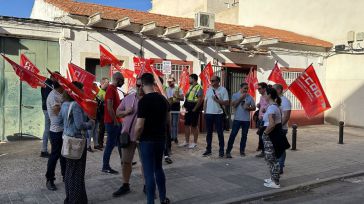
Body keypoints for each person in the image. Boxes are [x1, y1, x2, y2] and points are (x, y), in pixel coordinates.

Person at [135, 73, 170, 204]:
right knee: (159, 168)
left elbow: (139, 126)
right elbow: (168, 120)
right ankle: (163, 198)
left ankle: (151, 201)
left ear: (143, 84)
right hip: (160, 139)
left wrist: (135, 138)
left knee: (149, 172)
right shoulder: (163, 99)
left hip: (147, 140)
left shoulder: (143, 101)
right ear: (153, 84)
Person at [59, 82, 94, 204]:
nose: (83, 92)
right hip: (77, 142)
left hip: (68, 140)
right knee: (77, 173)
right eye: (82, 90)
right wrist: (90, 123)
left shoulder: (64, 104)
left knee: (69, 172)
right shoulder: (76, 105)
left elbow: (59, 121)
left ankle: (70, 198)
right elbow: (80, 125)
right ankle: (76, 200)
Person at [113, 78, 144, 197]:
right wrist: (126, 112)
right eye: (138, 85)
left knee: (145, 163)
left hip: (143, 137)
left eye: (142, 85)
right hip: (128, 136)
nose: (140, 88)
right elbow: (117, 112)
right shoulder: (128, 98)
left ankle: (147, 185)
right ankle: (125, 185)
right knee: (125, 162)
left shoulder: (149, 100)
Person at [262, 87, 290, 189]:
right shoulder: (273, 106)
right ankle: (272, 178)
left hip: (271, 136)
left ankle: (275, 182)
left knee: (272, 159)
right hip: (272, 135)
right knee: (270, 159)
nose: (263, 96)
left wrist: (264, 134)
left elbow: (272, 124)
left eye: (265, 94)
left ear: (269, 95)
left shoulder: (272, 108)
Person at [45, 80, 66, 191]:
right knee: (55, 155)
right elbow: (57, 112)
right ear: (60, 85)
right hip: (56, 130)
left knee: (64, 155)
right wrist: (67, 107)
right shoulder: (53, 96)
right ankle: (50, 179)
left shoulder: (60, 94)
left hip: (63, 130)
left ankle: (65, 176)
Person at [102, 72, 124, 174]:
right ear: (118, 79)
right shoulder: (111, 89)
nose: (123, 83)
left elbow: (115, 105)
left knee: (120, 143)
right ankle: (105, 166)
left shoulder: (114, 89)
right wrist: (115, 121)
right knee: (110, 145)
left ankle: (124, 161)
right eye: (122, 81)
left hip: (116, 122)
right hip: (112, 122)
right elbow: (109, 107)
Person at [226, 83, 256, 158]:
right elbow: (234, 105)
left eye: (247, 88)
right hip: (237, 119)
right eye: (245, 88)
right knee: (233, 135)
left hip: (246, 120)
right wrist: (241, 98)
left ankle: (242, 151)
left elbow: (254, 107)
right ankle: (228, 151)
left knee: (244, 136)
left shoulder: (249, 97)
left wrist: (248, 108)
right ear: (241, 88)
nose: (246, 90)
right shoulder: (235, 95)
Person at [203, 75, 229, 157]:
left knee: (220, 133)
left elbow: (227, 102)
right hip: (209, 114)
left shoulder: (223, 90)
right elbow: (205, 101)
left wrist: (217, 100)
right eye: (211, 81)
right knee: (209, 133)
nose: (212, 82)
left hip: (218, 114)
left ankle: (221, 151)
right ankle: (208, 149)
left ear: (218, 81)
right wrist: (204, 111)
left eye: (213, 81)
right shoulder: (209, 89)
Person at [179, 74, 203, 149]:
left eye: (190, 78)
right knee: (186, 124)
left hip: (194, 108)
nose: (189, 80)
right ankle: (186, 142)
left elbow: (200, 99)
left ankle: (195, 143)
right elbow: (188, 97)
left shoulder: (199, 87)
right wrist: (184, 106)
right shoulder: (190, 87)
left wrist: (195, 109)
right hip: (188, 108)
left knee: (194, 125)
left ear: (194, 79)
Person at [273, 84, 292, 174]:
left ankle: (280, 166)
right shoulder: (275, 100)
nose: (272, 91)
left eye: (274, 89)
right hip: (274, 128)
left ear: (279, 90)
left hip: (281, 128)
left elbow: (286, 116)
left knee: (280, 148)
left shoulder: (285, 101)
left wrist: (279, 127)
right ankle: (276, 165)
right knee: (275, 148)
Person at [40, 74, 56, 158]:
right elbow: (48, 98)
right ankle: (44, 150)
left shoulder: (49, 84)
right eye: (56, 78)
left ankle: (51, 148)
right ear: (52, 77)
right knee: (47, 129)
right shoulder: (47, 84)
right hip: (47, 109)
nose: (57, 80)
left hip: (47, 108)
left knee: (49, 128)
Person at [166, 77, 184, 144]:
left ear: (174, 81)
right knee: (169, 123)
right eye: (168, 82)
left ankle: (175, 137)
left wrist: (176, 97)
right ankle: (170, 137)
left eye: (170, 81)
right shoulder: (166, 89)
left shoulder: (178, 88)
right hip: (168, 106)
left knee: (175, 123)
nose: (169, 83)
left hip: (176, 106)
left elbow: (182, 98)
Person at [256, 82, 269, 158]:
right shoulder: (261, 97)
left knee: (264, 136)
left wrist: (265, 109)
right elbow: (262, 106)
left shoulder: (268, 96)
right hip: (260, 118)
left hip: (266, 120)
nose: (258, 90)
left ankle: (265, 151)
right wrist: (259, 105)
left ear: (264, 89)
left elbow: (271, 105)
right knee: (260, 135)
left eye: (259, 88)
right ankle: (263, 151)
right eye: (258, 88)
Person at [96, 77, 109, 149]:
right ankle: (100, 143)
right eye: (107, 83)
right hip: (102, 113)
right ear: (103, 83)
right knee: (102, 128)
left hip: (107, 112)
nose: (108, 84)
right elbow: (98, 103)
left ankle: (103, 142)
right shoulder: (99, 92)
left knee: (105, 128)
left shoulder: (107, 91)